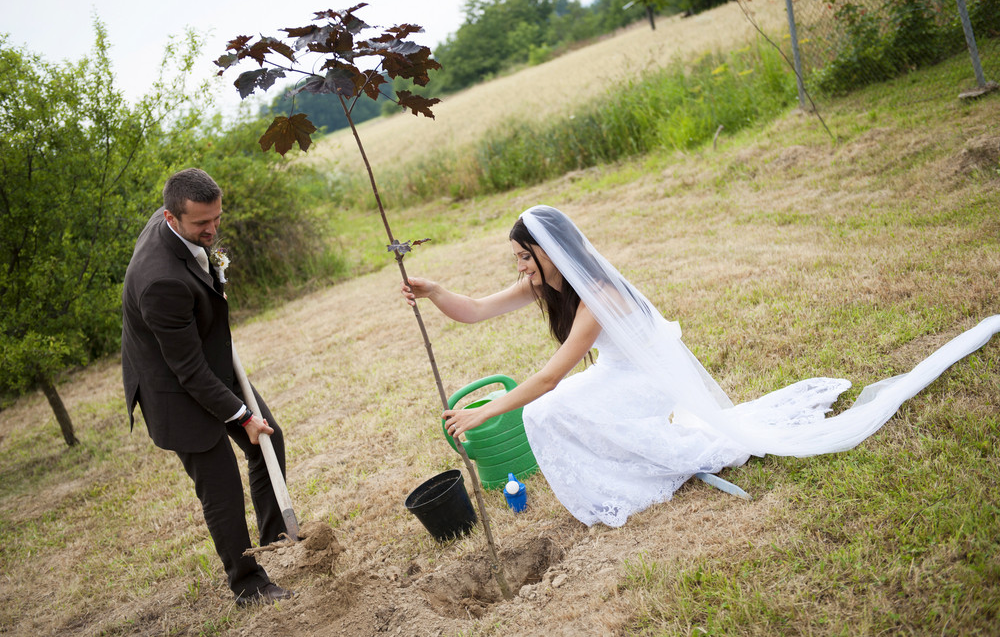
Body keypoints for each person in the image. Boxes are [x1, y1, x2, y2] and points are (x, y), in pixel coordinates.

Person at [402, 205, 1000, 527]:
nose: (519, 270)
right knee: (552, 413)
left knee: (552, 404)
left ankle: (647, 475)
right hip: (618, 372)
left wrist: (483, 411)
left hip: (644, 379)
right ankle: (626, 478)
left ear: (549, 253)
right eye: (516, 261)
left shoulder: (598, 293)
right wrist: (433, 291)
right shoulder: (551, 283)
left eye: (523, 259)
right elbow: (476, 310)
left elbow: (550, 376)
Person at [121, 168, 294, 605]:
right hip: (173, 387)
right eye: (202, 224)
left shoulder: (183, 224)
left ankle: (277, 535)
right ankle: (247, 583)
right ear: (171, 217)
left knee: (269, 440)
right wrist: (241, 416)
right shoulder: (161, 281)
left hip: (204, 361)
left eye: (216, 218)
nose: (212, 230)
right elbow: (188, 371)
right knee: (222, 490)